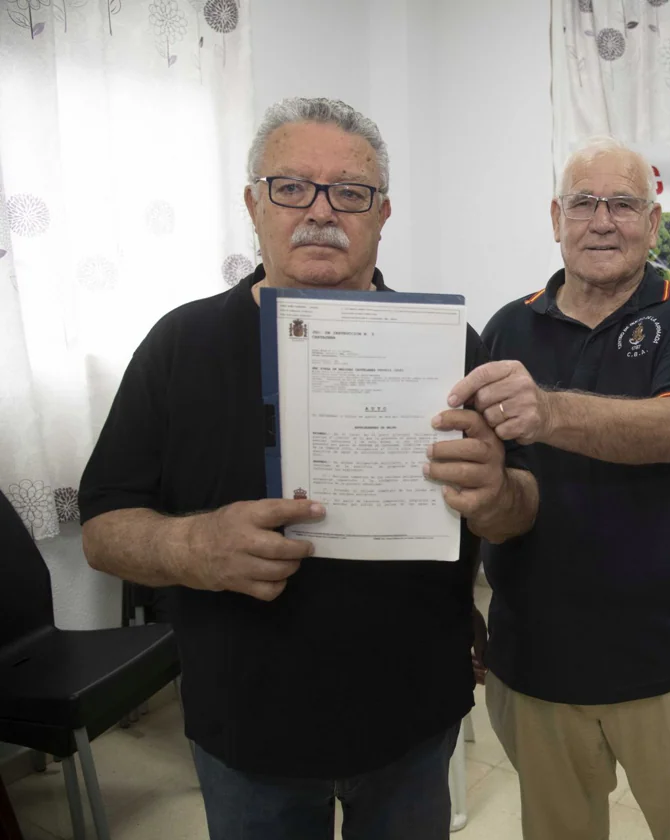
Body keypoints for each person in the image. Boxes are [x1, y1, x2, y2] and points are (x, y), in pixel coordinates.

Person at [79, 97, 538, 840]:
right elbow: (103, 528)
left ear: (382, 213)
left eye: (349, 193)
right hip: (248, 727)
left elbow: (517, 509)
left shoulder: (451, 346)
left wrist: (495, 494)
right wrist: (194, 547)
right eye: (292, 186)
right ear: (252, 203)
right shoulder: (179, 345)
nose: (320, 211)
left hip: (414, 719)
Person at [445, 137, 670, 840]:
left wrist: (547, 411)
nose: (602, 220)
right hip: (538, 660)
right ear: (556, 218)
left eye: (623, 204)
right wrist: (457, 601)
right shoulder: (507, 328)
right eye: (584, 203)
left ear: (654, 223)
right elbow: (473, 478)